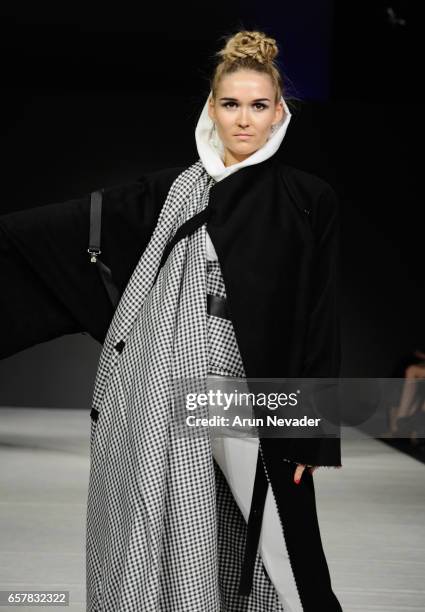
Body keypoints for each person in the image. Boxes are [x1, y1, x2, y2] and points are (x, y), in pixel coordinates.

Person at [0, 30, 343, 611]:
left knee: (273, 533)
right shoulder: (173, 190)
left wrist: (312, 431)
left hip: (252, 386)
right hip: (165, 380)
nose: (243, 120)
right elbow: (62, 233)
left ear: (279, 111)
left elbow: (318, 314)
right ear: (211, 107)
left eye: (258, 105)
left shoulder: (307, 198)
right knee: (167, 503)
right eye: (230, 104)